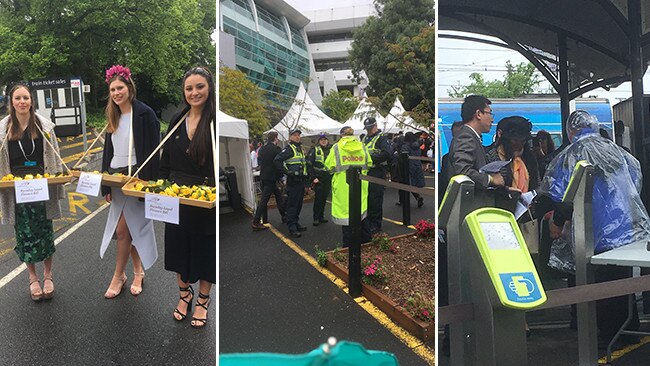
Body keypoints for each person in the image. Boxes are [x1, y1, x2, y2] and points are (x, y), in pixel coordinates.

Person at [538, 110, 650, 347]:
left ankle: (609, 335)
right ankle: (628, 327)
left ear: (571, 131)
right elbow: (635, 177)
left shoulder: (573, 153)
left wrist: (557, 222)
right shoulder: (615, 149)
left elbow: (563, 195)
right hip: (625, 226)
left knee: (599, 284)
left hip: (595, 228)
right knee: (622, 278)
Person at [160, 66, 216, 328]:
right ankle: (185, 295)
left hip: (206, 199)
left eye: (200, 87)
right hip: (176, 197)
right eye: (189, 88)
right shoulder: (177, 120)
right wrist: (156, 189)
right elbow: (165, 160)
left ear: (209, 87)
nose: (194, 92)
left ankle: (203, 300)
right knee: (178, 249)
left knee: (205, 251)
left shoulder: (215, 120)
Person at [0, 83, 64, 301]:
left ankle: (48, 275)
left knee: (45, 232)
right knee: (24, 234)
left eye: (25, 97)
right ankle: (32, 277)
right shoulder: (4, 129)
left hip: (41, 187)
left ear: (31, 100)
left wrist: (58, 178)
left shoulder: (44, 126)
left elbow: (54, 157)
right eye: (17, 98)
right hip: (16, 190)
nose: (22, 102)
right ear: (11, 102)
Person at [100, 65, 159, 299]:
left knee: (124, 229)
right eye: (113, 89)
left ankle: (118, 276)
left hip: (137, 179)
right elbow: (107, 153)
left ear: (129, 88)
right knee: (128, 228)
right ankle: (137, 271)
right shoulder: (112, 116)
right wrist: (106, 185)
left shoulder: (146, 114)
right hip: (116, 178)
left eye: (120, 88)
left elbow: (154, 152)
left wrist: (149, 185)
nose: (116, 93)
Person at [448, 95, 504, 198]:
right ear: (478, 114)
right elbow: (462, 171)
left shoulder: (471, 136)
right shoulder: (466, 136)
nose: (492, 119)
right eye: (489, 113)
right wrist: (491, 179)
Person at [325, 126, 372, 246]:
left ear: (341, 135)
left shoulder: (336, 147)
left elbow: (328, 166)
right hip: (361, 184)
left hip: (343, 186)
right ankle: (366, 242)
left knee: (346, 216)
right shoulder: (362, 146)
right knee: (361, 213)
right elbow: (369, 163)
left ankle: (348, 246)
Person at [485, 116, 540, 210]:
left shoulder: (529, 158)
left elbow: (537, 183)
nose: (519, 144)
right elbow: (488, 189)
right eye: (515, 141)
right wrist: (505, 191)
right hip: (501, 212)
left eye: (523, 141)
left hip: (527, 214)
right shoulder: (491, 157)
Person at [274, 129, 308, 238]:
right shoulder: (289, 149)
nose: (297, 137)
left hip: (301, 181)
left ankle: (296, 223)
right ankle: (292, 228)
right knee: (292, 205)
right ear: (290, 137)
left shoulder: (299, 149)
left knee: (298, 204)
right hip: (293, 181)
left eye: (298, 135)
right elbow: (277, 160)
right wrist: (287, 172)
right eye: (295, 135)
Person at [252, 131, 286, 230]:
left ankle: (284, 216)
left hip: (264, 176)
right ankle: (256, 221)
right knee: (264, 200)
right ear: (276, 138)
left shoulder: (262, 149)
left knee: (278, 196)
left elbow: (260, 160)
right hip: (272, 177)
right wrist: (281, 176)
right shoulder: (277, 149)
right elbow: (278, 164)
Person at [363, 117, 392, 234]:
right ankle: (369, 221)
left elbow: (387, 154)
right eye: (367, 129)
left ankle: (376, 224)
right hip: (366, 172)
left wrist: (370, 159)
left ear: (375, 126)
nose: (368, 131)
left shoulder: (382, 138)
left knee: (375, 199)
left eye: (370, 128)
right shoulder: (365, 138)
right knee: (368, 198)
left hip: (377, 171)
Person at [307, 132, 333, 226]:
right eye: (321, 140)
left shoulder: (331, 149)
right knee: (318, 198)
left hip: (328, 177)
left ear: (327, 140)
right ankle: (316, 218)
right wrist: (313, 178)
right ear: (319, 141)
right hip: (318, 178)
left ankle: (321, 216)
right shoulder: (314, 150)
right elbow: (309, 165)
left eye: (325, 139)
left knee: (324, 198)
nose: (323, 141)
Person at [398, 132, 425, 207]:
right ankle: (417, 197)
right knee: (413, 183)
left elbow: (403, 157)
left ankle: (403, 201)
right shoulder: (417, 145)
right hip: (417, 165)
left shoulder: (405, 146)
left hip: (408, 166)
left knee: (405, 183)